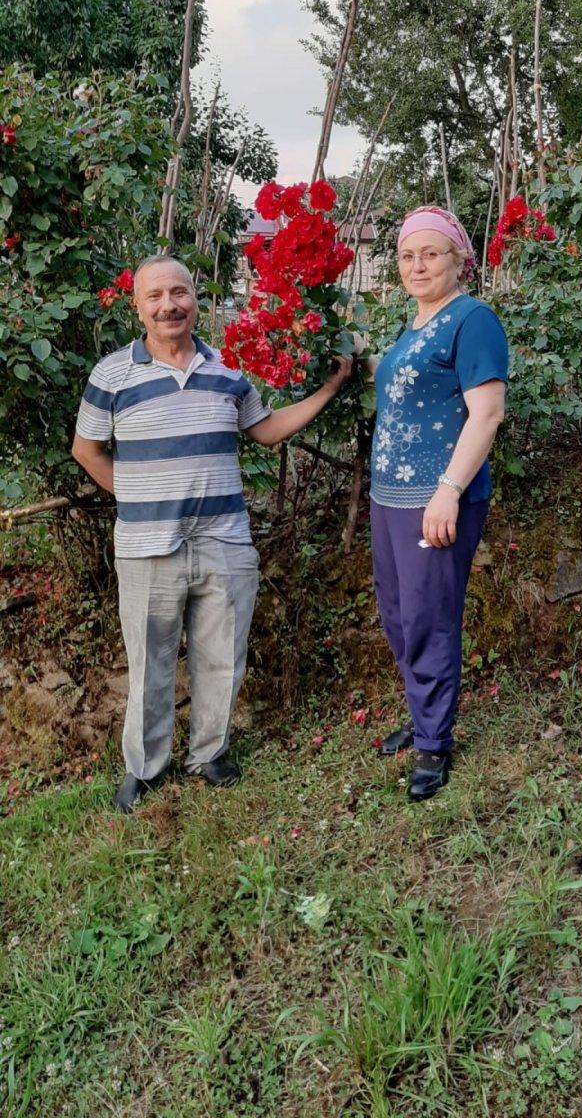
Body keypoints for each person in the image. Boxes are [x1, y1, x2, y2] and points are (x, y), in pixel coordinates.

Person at [72, 255, 352, 813]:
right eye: (155, 296)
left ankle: (209, 753)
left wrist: (329, 389)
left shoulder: (228, 370)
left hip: (224, 540)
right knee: (149, 662)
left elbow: (266, 430)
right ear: (138, 307)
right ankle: (146, 768)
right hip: (148, 547)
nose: (168, 304)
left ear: (195, 299)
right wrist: (137, 499)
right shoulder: (113, 374)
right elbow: (87, 450)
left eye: (179, 292)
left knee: (222, 656)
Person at [361, 206, 508, 802]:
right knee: (400, 614)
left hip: (436, 498)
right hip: (389, 498)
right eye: (407, 255)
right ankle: (426, 717)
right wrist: (352, 363)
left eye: (431, 253)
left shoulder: (471, 319)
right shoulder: (416, 325)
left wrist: (447, 490)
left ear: (458, 260)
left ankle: (433, 743)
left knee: (429, 616)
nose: (417, 264)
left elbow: (487, 412)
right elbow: (403, 381)